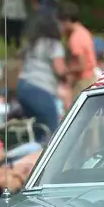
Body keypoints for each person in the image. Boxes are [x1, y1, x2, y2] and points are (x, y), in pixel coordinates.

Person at [16, 13, 66, 142]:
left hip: (23, 86)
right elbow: (59, 69)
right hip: (41, 88)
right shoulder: (53, 45)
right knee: (52, 130)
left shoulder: (32, 44)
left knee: (37, 129)